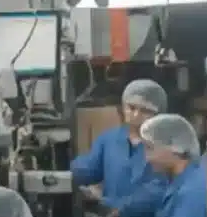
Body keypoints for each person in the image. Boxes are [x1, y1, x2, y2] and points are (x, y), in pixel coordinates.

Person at [71, 79, 168, 210]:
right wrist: (61, 175)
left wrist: (104, 201)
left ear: (159, 114)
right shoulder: (110, 139)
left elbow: (152, 196)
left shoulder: (165, 148)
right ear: (123, 107)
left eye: (145, 111)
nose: (136, 114)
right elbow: (88, 169)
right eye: (131, 107)